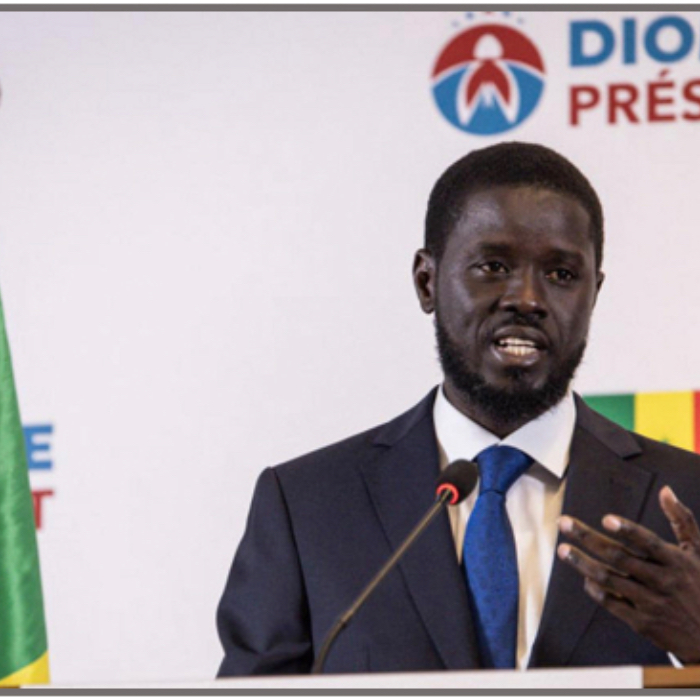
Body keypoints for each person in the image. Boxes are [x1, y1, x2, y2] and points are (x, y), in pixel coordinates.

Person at [216, 142, 700, 676]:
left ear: (594, 294)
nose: (527, 299)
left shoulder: (688, 496)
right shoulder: (309, 506)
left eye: (561, 274)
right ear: (427, 281)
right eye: (493, 266)